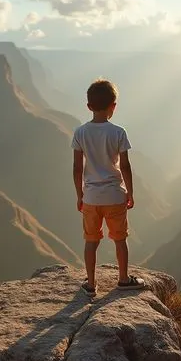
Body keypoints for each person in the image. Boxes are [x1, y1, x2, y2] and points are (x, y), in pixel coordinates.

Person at [71, 79, 145, 297]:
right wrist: (130, 192)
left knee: (91, 241)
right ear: (114, 105)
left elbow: (77, 168)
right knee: (120, 239)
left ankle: (91, 284)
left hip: (91, 198)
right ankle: (123, 279)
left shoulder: (80, 133)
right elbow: (125, 166)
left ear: (88, 106)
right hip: (115, 195)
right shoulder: (118, 132)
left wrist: (79, 195)